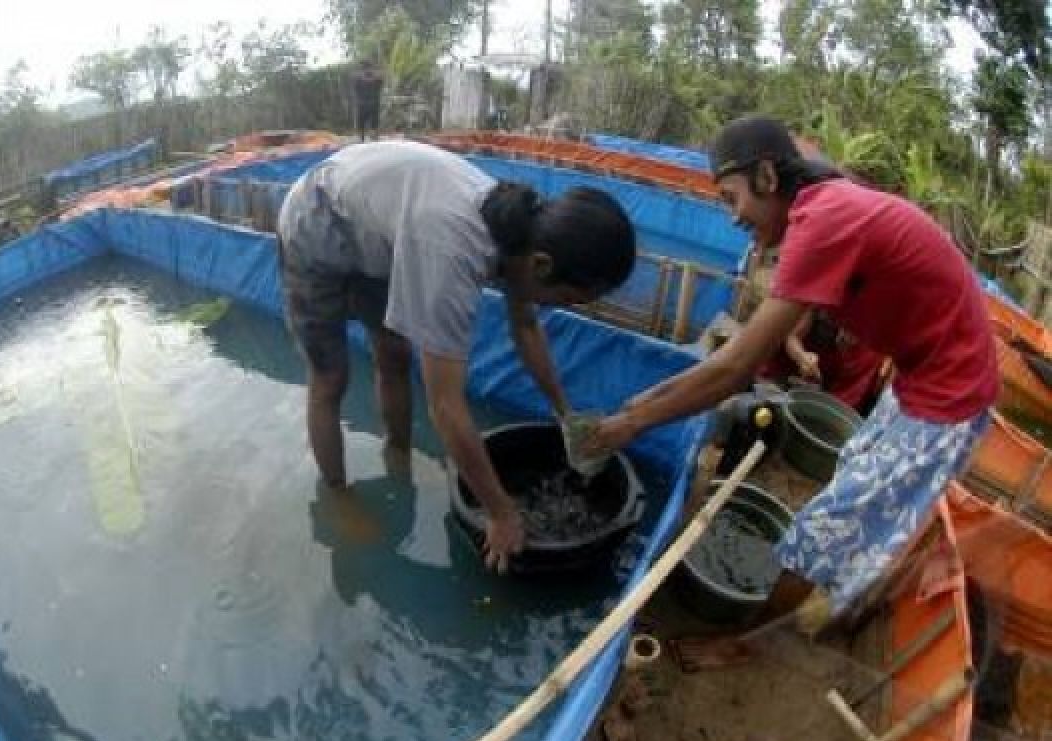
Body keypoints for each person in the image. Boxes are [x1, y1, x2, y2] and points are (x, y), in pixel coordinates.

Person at [585, 116, 997, 667]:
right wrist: (641, 406)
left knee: (826, 526)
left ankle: (749, 644)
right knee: (857, 475)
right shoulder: (820, 200)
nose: (733, 216)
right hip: (924, 372)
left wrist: (633, 421)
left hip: (949, 397)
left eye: (733, 197)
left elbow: (733, 371)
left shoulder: (822, 223)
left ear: (766, 177)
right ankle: (842, 593)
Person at [278, 140, 636, 573]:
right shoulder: (452, 251)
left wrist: (565, 414)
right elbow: (446, 406)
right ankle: (338, 494)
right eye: (565, 298)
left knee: (393, 354)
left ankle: (398, 458)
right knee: (330, 378)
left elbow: (525, 326)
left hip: (380, 231)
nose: (555, 308)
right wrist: (503, 513)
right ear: (541, 265)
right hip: (319, 221)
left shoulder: (522, 234)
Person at [760, 307, 889, 416]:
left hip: (816, 387)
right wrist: (802, 357)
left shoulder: (869, 342)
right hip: (781, 373)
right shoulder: (821, 304)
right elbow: (792, 338)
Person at [351, 60, 385, 142]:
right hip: (364, 105)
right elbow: (356, 88)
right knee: (362, 125)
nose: (366, 70)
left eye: (367, 68)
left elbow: (380, 82)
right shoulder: (359, 80)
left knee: (373, 125)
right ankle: (362, 139)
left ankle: (372, 139)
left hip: (372, 105)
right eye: (364, 69)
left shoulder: (376, 79)